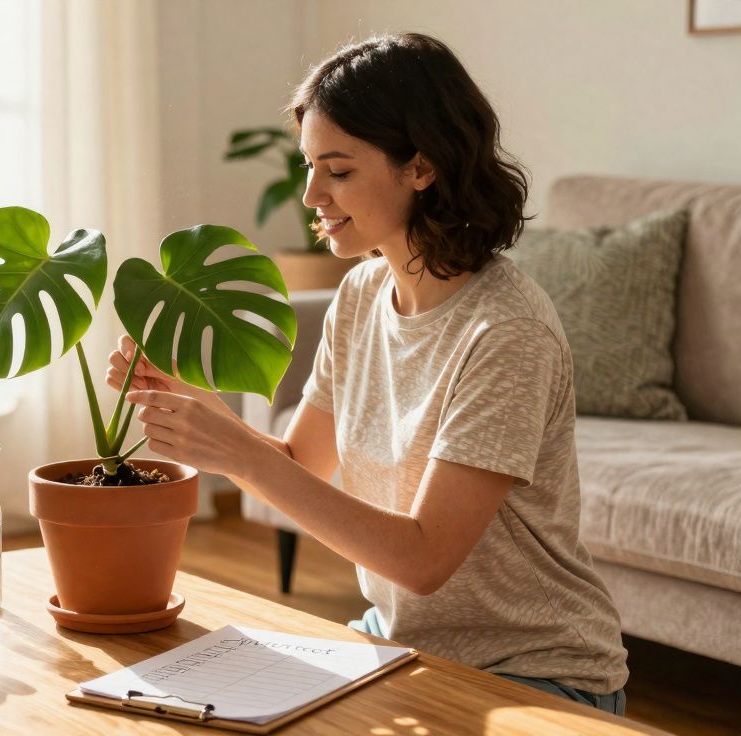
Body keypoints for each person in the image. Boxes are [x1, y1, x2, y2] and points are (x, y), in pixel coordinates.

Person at [111, 32, 628, 715]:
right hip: (397, 646)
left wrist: (235, 452)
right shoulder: (359, 296)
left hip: (534, 675)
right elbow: (301, 461)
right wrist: (200, 412)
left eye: (339, 170)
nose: (311, 194)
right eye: (308, 166)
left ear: (421, 166)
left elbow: (422, 561)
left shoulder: (505, 331)